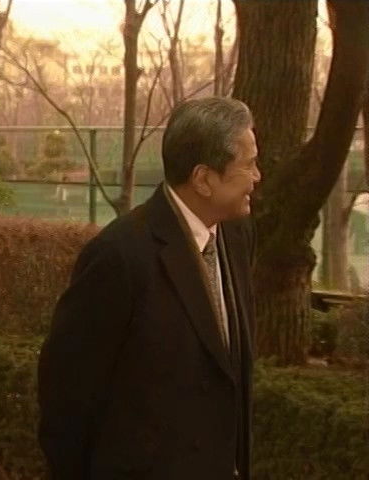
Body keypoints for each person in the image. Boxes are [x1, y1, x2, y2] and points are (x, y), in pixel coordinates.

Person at [38, 97, 261, 479]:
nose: (257, 176)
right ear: (203, 179)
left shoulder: (237, 235)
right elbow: (66, 397)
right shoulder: (119, 256)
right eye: (249, 164)